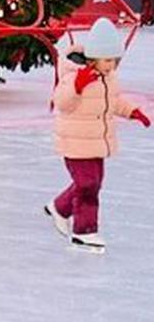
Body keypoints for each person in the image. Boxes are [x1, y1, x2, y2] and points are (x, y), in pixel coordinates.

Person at [45, 17, 149, 252]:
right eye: (107, 60)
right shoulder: (74, 75)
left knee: (91, 183)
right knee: (88, 184)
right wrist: (77, 86)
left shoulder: (108, 78)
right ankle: (84, 230)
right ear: (93, 57)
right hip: (75, 140)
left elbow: (113, 101)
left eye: (114, 60)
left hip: (97, 141)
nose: (111, 65)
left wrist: (133, 112)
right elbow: (61, 101)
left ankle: (60, 207)